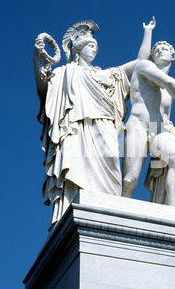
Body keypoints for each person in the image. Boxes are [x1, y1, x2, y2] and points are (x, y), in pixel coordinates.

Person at [34, 18, 156, 228]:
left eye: (96, 47)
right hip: (76, 128)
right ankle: (71, 211)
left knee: (112, 166)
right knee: (75, 169)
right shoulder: (66, 72)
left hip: (106, 126)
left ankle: (111, 213)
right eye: (90, 45)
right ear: (78, 50)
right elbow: (43, 86)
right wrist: (36, 58)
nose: (94, 50)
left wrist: (148, 32)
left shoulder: (106, 74)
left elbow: (140, 63)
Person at [122, 41, 175, 207]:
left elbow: (165, 112)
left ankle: (174, 213)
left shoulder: (170, 91)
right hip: (138, 125)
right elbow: (168, 83)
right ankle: (120, 214)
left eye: (165, 49)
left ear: (173, 56)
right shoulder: (143, 66)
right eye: (156, 49)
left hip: (160, 128)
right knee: (129, 180)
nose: (160, 51)